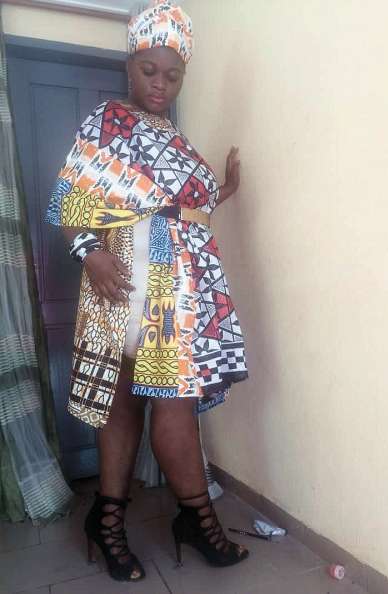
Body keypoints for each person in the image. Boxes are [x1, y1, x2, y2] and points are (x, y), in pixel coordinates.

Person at [45, 0, 249, 583]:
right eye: (149, 70)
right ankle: (180, 521)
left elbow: (177, 205)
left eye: (172, 75)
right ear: (129, 65)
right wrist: (91, 255)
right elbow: (69, 200)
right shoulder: (110, 120)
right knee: (148, 403)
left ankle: (120, 520)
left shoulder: (172, 136)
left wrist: (222, 190)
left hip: (175, 284)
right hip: (136, 278)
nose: (160, 83)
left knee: (142, 402)